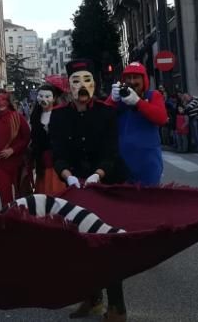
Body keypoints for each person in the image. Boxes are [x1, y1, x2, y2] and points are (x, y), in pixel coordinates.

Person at [49, 59, 126, 322]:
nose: (82, 87)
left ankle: (117, 307)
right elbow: (57, 153)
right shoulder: (59, 116)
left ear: (94, 84)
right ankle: (92, 298)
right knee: (80, 244)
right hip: (76, 187)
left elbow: (112, 151)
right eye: (76, 81)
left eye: (87, 80)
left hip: (106, 184)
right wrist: (68, 176)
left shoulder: (106, 113)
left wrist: (98, 174)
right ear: (69, 86)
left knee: (108, 244)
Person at [109, 62, 167, 186]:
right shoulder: (120, 98)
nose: (132, 81)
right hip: (122, 161)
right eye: (128, 78)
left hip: (148, 161)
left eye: (136, 77)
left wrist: (138, 102)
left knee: (149, 200)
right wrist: (111, 100)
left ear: (144, 79)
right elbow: (103, 120)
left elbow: (161, 118)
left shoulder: (153, 96)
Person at [0, 89, 31, 204]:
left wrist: (13, 150)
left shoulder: (17, 117)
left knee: (21, 199)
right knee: (2, 199)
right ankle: (3, 220)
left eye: (3, 100)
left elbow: (27, 138)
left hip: (17, 164)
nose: (0, 103)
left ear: (8, 101)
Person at [30, 83, 66, 195]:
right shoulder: (35, 116)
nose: (43, 99)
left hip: (58, 159)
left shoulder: (60, 114)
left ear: (54, 98)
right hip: (42, 160)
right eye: (41, 96)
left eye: (47, 96)